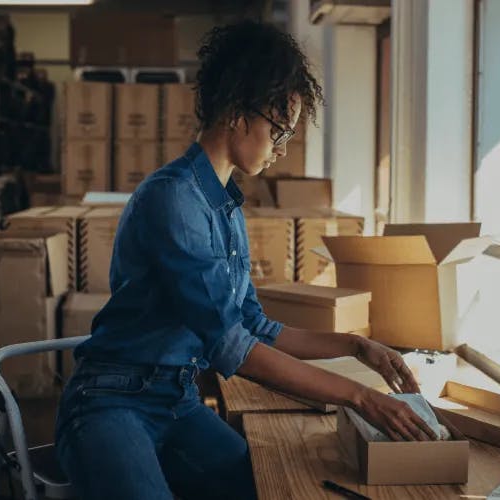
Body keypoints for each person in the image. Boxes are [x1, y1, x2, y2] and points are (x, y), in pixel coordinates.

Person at [55, 21, 437, 500]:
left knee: (268, 486)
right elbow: (229, 347)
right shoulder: (174, 200)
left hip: (177, 400)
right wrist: (359, 395)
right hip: (111, 402)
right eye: (278, 130)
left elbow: (253, 325)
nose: (281, 149)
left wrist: (355, 346)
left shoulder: (225, 206)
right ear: (238, 112)